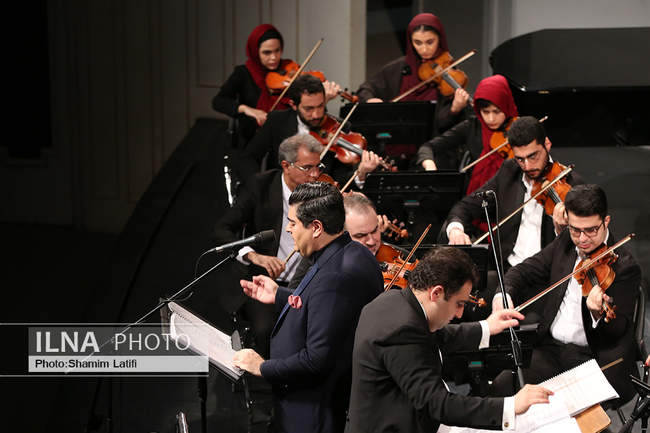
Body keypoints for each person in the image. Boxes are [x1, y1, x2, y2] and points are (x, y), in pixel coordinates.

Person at [345, 246, 553, 433]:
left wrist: (487, 327)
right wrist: (510, 406)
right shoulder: (401, 331)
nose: (460, 314)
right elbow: (437, 403)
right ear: (436, 293)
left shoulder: (394, 300)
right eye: (459, 304)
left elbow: (438, 335)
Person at [233, 182, 384, 433]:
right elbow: (328, 310)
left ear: (316, 228)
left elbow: (316, 361)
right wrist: (280, 295)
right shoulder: (352, 252)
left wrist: (261, 367)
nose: (288, 229)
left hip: (313, 411)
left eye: (293, 223)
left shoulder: (336, 276)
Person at [490, 184, 642, 405]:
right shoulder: (566, 243)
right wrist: (503, 295)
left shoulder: (625, 267)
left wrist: (596, 314)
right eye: (575, 230)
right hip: (551, 350)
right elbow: (525, 270)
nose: (582, 239)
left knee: (561, 412)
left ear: (606, 221)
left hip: (593, 359)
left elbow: (617, 331)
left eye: (591, 230)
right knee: (502, 387)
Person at [213, 134, 324, 357]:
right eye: (307, 168)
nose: (315, 175)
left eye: (318, 167)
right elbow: (221, 229)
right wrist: (253, 256)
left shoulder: (321, 192)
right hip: (264, 281)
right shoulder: (260, 185)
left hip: (309, 282)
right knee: (267, 331)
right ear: (286, 166)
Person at [442, 116, 583, 269]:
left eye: (533, 156)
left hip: (547, 274)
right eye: (520, 159)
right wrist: (456, 230)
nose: (527, 166)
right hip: (506, 268)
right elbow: (466, 206)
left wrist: (561, 230)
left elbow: (583, 246)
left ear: (547, 144)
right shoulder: (509, 171)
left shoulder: (572, 184)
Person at [240, 74, 383, 184]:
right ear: (293, 105)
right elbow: (249, 157)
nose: (316, 115)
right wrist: (260, 186)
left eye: (320, 106)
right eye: (309, 109)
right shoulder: (277, 121)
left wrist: (360, 173)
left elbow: (340, 178)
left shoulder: (339, 127)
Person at [356, 13, 471, 135]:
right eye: (418, 43)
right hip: (396, 137)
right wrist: (370, 100)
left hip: (431, 142)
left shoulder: (448, 72)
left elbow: (442, 124)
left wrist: (454, 110)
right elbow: (365, 89)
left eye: (430, 42)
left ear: (440, 39)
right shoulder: (397, 67)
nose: (424, 49)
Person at [416, 74, 519, 193]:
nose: (491, 119)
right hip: (476, 194)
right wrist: (429, 164)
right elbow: (427, 147)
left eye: (496, 112)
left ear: (506, 107)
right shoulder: (472, 126)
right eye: (485, 112)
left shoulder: (519, 127)